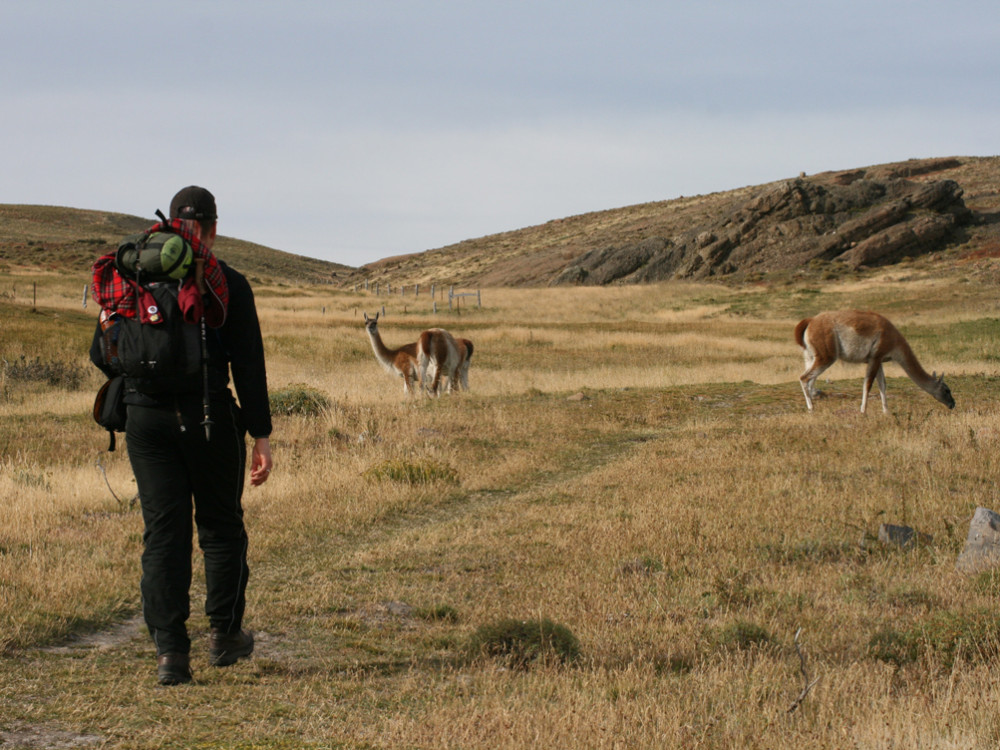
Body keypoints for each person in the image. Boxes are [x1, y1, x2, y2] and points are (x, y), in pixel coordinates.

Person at [90, 186, 273, 686]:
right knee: (219, 527)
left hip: (145, 423)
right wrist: (261, 433)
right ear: (212, 228)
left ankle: (171, 655)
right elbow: (249, 364)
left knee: (164, 535)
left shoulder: (133, 275)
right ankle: (225, 636)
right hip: (210, 418)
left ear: (169, 223)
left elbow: (102, 353)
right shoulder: (227, 282)